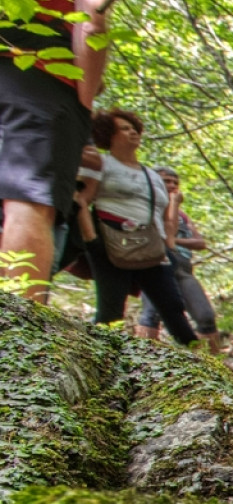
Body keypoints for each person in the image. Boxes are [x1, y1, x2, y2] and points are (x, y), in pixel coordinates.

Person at [0, 0, 112, 301]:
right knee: (28, 198)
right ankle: (20, 338)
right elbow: (91, 20)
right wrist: (84, 102)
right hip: (40, 74)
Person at [72, 109, 197, 343]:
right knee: (111, 311)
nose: (132, 132)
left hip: (153, 249)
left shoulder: (152, 175)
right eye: (124, 128)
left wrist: (168, 246)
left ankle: (201, 361)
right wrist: (92, 242)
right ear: (109, 134)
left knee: (172, 307)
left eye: (133, 128)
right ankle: (100, 361)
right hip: (111, 244)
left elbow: (164, 216)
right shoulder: (101, 163)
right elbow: (82, 200)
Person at [134, 167, 222, 350]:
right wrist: (173, 206)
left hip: (183, 267)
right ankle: (141, 359)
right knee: (152, 314)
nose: (172, 185)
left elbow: (200, 242)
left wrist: (176, 240)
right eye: (167, 181)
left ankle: (216, 366)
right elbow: (167, 234)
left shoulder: (183, 216)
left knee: (205, 316)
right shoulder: (147, 207)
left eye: (175, 182)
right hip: (156, 265)